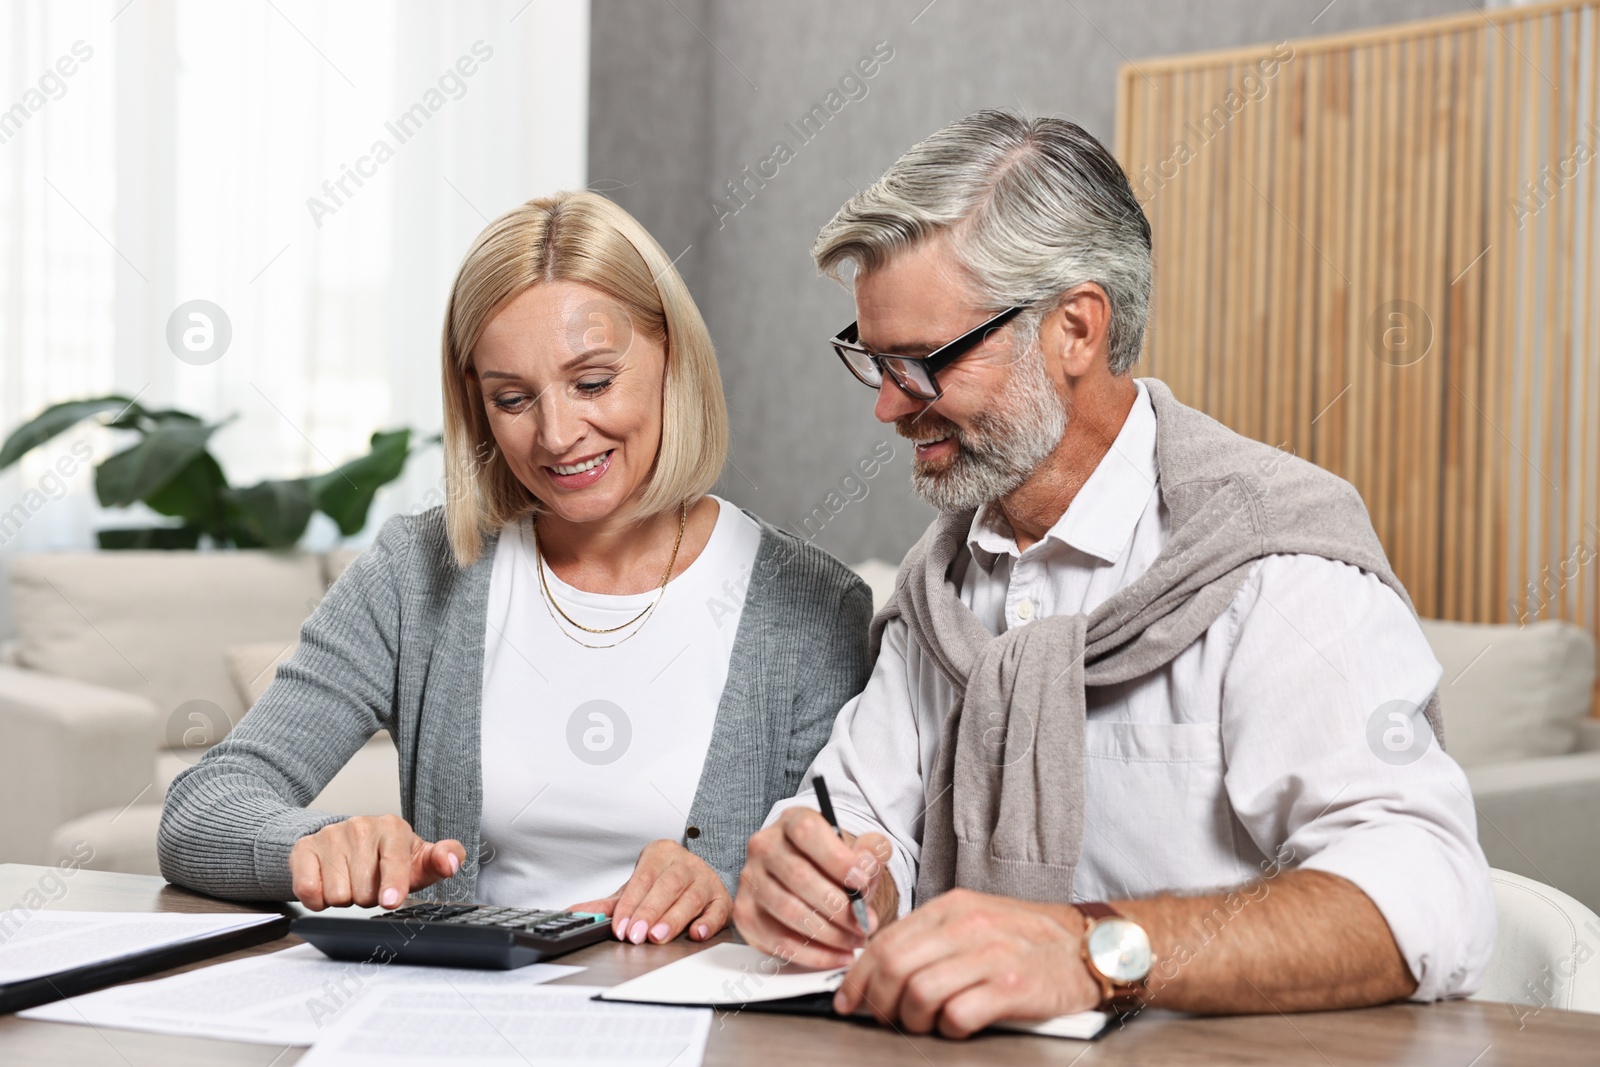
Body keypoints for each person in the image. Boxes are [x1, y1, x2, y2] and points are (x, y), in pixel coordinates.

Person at [734, 110, 1495, 1036]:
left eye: (923, 362)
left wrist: (1094, 951)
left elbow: (1426, 889)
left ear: (1076, 330)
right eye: (874, 358)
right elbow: (863, 826)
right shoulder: (940, 590)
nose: (891, 405)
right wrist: (820, 880)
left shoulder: (1271, 560)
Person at [159, 191, 873, 947]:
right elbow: (202, 808)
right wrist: (311, 843)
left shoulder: (813, 607)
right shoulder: (420, 572)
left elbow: (844, 890)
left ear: (674, 356)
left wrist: (726, 886)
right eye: (512, 397)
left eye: (593, 382)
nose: (558, 436)